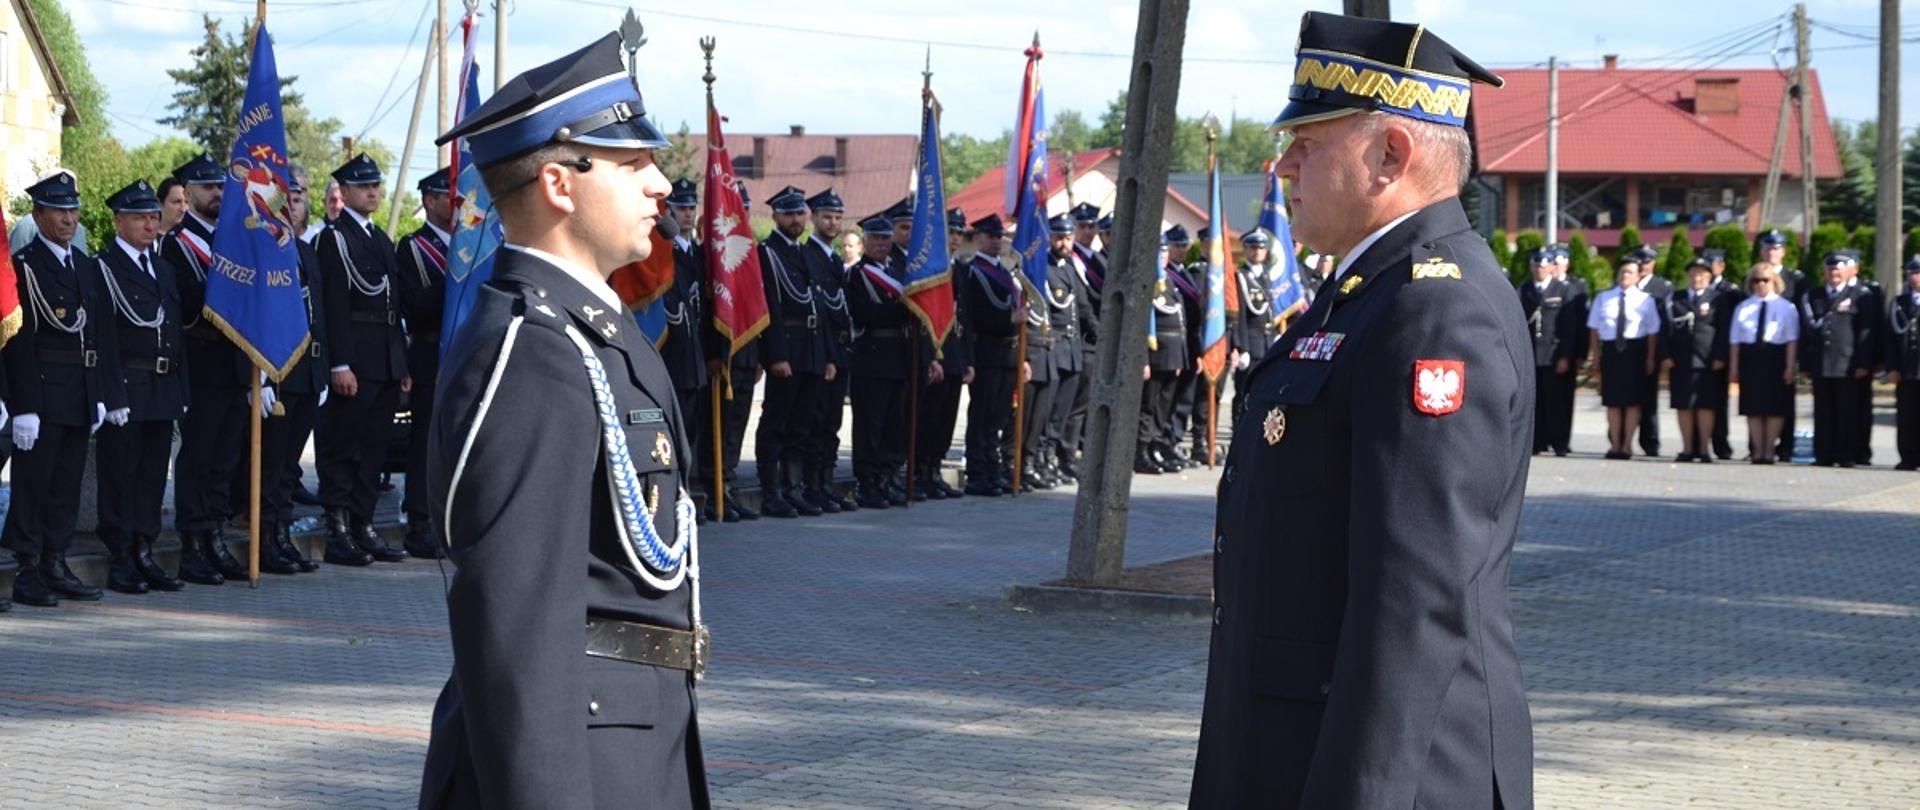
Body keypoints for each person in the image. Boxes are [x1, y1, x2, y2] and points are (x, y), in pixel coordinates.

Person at [1190, 13, 1532, 808]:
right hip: (1293, 750)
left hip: (1385, 775)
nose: (1283, 165)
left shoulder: (1433, 311)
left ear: (1391, 155)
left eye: (1308, 143)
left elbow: (1413, 602)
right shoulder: (1367, 291)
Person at [420, 32, 709, 809]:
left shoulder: (597, 335)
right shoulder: (533, 353)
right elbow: (517, 632)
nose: (660, 185)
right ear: (558, 182)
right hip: (573, 765)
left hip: (635, 745)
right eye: (632, 163)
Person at [3, 169, 127, 609]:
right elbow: (19, 342)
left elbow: (101, 336)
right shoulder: (24, 267)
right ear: (38, 216)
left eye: (72, 211)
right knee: (33, 485)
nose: (68, 219)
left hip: (79, 392)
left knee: (66, 486)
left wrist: (106, 395)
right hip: (42, 394)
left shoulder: (85, 266)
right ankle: (27, 568)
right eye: (58, 211)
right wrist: (23, 406)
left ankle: (55, 561)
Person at [93, 179, 191, 593]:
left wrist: (182, 390)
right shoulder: (103, 267)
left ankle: (143, 549)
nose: (150, 225)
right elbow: (102, 337)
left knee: (152, 474)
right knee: (121, 474)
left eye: (153, 217)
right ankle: (119, 555)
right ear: (119, 222)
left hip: (161, 385)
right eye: (140, 218)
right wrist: (111, 395)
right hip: (128, 386)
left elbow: (175, 333)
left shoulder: (162, 268)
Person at [316, 153, 411, 564]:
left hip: (384, 359)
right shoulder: (334, 239)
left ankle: (362, 523)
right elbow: (333, 305)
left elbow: (394, 305)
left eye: (376, 186)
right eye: (364, 186)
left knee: (373, 449)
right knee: (343, 446)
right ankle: (337, 530)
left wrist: (401, 363)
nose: (373, 193)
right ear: (345, 191)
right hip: (355, 357)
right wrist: (339, 363)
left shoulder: (380, 239)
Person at [162, 152, 251, 583]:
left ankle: (215, 534)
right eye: (207, 187)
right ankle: (193, 541)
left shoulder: (234, 238)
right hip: (201, 360)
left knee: (225, 459)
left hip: (235, 360)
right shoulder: (178, 243)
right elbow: (185, 301)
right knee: (198, 457)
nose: (217, 193)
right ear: (188, 192)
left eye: (220, 186)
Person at [256, 170, 330, 572]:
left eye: (298, 200)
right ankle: (265, 538)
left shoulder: (306, 251)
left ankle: (282, 534)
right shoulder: (264, 252)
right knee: (271, 464)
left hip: (308, 372)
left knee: (289, 466)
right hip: (279, 373)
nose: (292, 207)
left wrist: (324, 368)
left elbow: (320, 315)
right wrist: (261, 375)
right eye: (285, 201)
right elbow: (256, 317)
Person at [753, 185, 836, 517]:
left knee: (803, 423)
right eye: (788, 213)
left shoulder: (807, 253)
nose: (795, 219)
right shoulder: (767, 252)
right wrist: (775, 355)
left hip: (812, 348)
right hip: (787, 346)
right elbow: (769, 306)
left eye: (800, 213)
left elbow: (821, 306)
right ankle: (771, 490)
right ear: (775, 216)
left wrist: (828, 355)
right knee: (777, 421)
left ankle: (793, 488)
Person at [394, 166, 454, 559]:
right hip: (429, 353)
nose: (457, 202)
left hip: (466, 351)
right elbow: (412, 305)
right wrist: (455, 281)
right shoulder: (413, 247)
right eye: (449, 195)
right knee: (427, 441)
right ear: (430, 200)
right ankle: (419, 520)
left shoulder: (474, 244)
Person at [846, 214, 913, 507]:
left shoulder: (899, 271)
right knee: (870, 425)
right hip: (871, 357)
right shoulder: (857, 274)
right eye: (875, 238)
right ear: (865, 242)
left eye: (886, 238)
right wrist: (903, 310)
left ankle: (888, 477)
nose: (882, 243)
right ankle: (868, 482)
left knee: (893, 425)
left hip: (898, 355)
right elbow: (866, 314)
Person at [1801, 250, 1881, 467]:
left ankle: (1847, 455)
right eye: (1830, 269)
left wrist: (1864, 363)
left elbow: (1865, 332)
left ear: (1848, 271)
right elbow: (1806, 333)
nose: (1833, 273)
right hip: (1821, 362)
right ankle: (1824, 454)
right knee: (1823, 412)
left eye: (1838, 270)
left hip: (1848, 363)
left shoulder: (1860, 295)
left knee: (1848, 412)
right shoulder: (1814, 295)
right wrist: (1805, 364)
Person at [660, 179, 712, 515]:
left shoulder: (698, 254)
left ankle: (689, 492)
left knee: (692, 430)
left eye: (692, 207)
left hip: (695, 359)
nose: (688, 214)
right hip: (673, 357)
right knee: (672, 433)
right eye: (681, 208)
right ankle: (672, 495)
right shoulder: (663, 252)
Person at [959, 214, 1020, 495]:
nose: (996, 241)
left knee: (998, 417)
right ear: (978, 238)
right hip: (986, 351)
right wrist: (1010, 318)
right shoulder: (973, 272)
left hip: (1007, 353)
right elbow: (976, 316)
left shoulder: (1005, 272)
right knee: (982, 416)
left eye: (999, 236)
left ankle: (993, 469)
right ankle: (978, 472)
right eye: (990, 236)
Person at [914, 208, 972, 499]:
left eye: (960, 233)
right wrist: (931, 357)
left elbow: (966, 318)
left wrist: (968, 360)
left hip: (955, 354)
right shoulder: (931, 269)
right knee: (930, 417)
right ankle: (920, 471)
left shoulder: (960, 269)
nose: (956, 238)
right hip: (936, 352)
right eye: (951, 232)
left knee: (946, 419)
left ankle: (935, 468)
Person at [804, 188, 856, 512]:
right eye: (827, 217)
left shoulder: (834, 259)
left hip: (840, 350)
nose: (833, 223)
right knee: (816, 422)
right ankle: (811, 486)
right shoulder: (807, 255)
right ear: (814, 218)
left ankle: (826, 482)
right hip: (822, 353)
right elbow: (820, 312)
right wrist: (826, 356)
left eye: (838, 217)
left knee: (832, 425)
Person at [1587, 257, 1662, 459]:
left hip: (1635, 351)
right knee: (1613, 401)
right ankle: (1615, 444)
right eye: (1622, 272)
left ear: (1638, 276)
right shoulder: (1604, 297)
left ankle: (1627, 444)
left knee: (1632, 402)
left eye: (1629, 272)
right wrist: (1595, 355)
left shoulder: (1646, 300)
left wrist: (1650, 358)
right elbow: (1593, 328)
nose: (1624, 276)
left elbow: (1653, 331)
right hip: (1612, 351)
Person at [1731, 266, 1799, 464]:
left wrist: (1790, 366)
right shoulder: (1743, 308)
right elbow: (1734, 341)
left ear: (1774, 282)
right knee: (1753, 407)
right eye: (1756, 280)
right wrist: (1734, 367)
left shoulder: (1786, 307)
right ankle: (1757, 450)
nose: (1760, 284)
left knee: (1774, 408)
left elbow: (1792, 340)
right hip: (1751, 358)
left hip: (1775, 358)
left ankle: (1769, 450)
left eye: (1765, 280)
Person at [1667, 257, 1732, 462]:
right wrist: (1666, 355)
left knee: (1706, 406)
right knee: (1684, 406)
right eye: (1693, 274)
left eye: (1702, 275)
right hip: (1681, 360)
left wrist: (1721, 356)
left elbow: (1724, 330)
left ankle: (1704, 449)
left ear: (1709, 277)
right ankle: (1687, 448)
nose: (1697, 278)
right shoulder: (1675, 298)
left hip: (1708, 361)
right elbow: (1665, 329)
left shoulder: (1718, 299)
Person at [1137, 229, 1190, 475]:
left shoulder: (1169, 281)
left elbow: (1179, 321)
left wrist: (1181, 356)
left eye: (1165, 252)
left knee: (1163, 407)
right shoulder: (1146, 282)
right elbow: (1142, 325)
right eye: (1158, 252)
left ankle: (1156, 446)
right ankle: (1141, 451)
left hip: (1172, 355)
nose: (1163, 257)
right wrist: (1144, 360)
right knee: (1148, 407)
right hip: (1155, 355)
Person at [1058, 201, 1104, 479]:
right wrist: (1099, 331)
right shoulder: (1070, 260)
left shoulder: (1097, 259)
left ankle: (1080, 450)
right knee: (1075, 405)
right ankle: (1065, 453)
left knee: (1089, 403)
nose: (1088, 231)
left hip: (1096, 341)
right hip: (1084, 339)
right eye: (1083, 226)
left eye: (1092, 226)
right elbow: (1086, 303)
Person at [1519, 249, 1576, 456]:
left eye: (1544, 266)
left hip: (1553, 354)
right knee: (1535, 402)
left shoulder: (1563, 290)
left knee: (1556, 402)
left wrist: (1565, 356)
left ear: (1552, 267)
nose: (1539, 270)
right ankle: (1536, 442)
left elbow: (1569, 327)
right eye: (1536, 266)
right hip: (1531, 354)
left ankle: (1559, 443)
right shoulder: (1524, 289)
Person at [1756, 230, 1804, 461]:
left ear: (1783, 252)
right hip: (1759, 348)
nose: (1771, 252)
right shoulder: (1755, 275)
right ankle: (1758, 446)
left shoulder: (1796, 278)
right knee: (1758, 400)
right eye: (1767, 248)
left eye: (1775, 248)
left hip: (1785, 345)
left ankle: (1785, 447)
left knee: (1785, 399)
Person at [1229, 231, 1280, 420]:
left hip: (1267, 343)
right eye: (1253, 248)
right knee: (1244, 392)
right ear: (1246, 250)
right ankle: (1238, 430)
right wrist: (1242, 347)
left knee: (1262, 392)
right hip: (1251, 343)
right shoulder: (1240, 277)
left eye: (1261, 248)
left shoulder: (1266, 277)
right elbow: (1240, 315)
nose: (1257, 251)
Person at [1630, 246, 1672, 457]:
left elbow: (1666, 323)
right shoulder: (1626, 281)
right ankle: (1620, 440)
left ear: (1653, 263)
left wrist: (1662, 355)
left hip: (1651, 349)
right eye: (1639, 262)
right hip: (1629, 350)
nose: (1642, 266)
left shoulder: (1662, 287)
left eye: (1646, 262)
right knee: (1624, 399)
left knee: (1649, 400)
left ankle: (1650, 440)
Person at [1703, 249, 1742, 459]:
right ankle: (1699, 444)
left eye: (1712, 265)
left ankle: (1721, 443)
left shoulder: (1729, 291)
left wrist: (1722, 356)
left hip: (1719, 354)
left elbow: (1730, 328)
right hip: (1698, 354)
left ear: (1721, 266)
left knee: (1719, 402)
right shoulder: (1698, 288)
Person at [1888, 260, 1920, 471]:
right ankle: (1908, 456)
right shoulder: (1899, 302)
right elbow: (1890, 338)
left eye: (1918, 273)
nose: (1914, 277)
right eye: (1911, 273)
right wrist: (1892, 367)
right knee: (1907, 415)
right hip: (1906, 368)